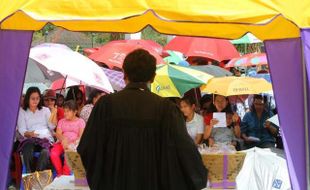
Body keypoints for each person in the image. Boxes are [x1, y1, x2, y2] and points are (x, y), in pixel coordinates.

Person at [78, 49, 207, 190]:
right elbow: (185, 152)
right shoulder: (166, 109)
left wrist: (103, 179)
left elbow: (87, 147)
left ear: (124, 74)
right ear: (153, 77)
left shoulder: (105, 105)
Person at [17, 87, 55, 173]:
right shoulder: (22, 111)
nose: (35, 101)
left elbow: (52, 126)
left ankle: (37, 175)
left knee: (45, 152)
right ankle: (29, 172)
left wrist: (53, 113)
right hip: (30, 138)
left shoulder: (45, 110)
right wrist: (29, 133)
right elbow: (22, 129)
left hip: (44, 138)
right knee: (27, 148)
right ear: (28, 99)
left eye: (37, 98)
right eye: (33, 98)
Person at [50, 100, 85, 176]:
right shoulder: (61, 121)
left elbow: (81, 136)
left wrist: (71, 144)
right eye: (64, 111)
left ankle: (65, 175)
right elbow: (58, 133)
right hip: (61, 143)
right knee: (53, 154)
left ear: (75, 111)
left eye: (68, 111)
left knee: (69, 156)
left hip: (74, 144)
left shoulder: (80, 121)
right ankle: (59, 173)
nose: (65, 113)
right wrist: (64, 140)